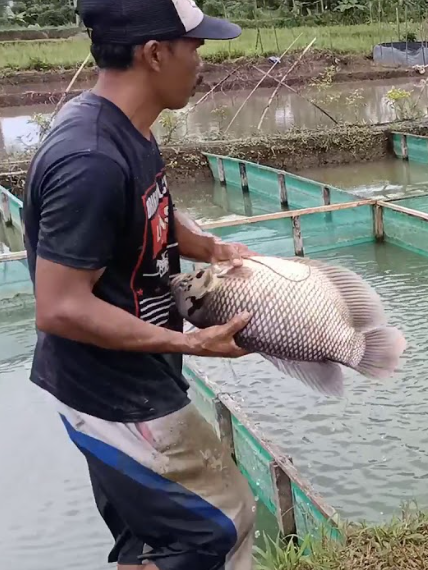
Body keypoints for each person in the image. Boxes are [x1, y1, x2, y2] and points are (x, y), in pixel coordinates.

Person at [22, 1, 260, 568]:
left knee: (145, 535)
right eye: (194, 45)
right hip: (113, 394)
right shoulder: (91, 159)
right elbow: (59, 307)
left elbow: (148, 206)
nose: (201, 60)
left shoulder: (127, 129)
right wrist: (192, 342)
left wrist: (210, 248)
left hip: (127, 378)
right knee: (222, 526)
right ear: (155, 53)